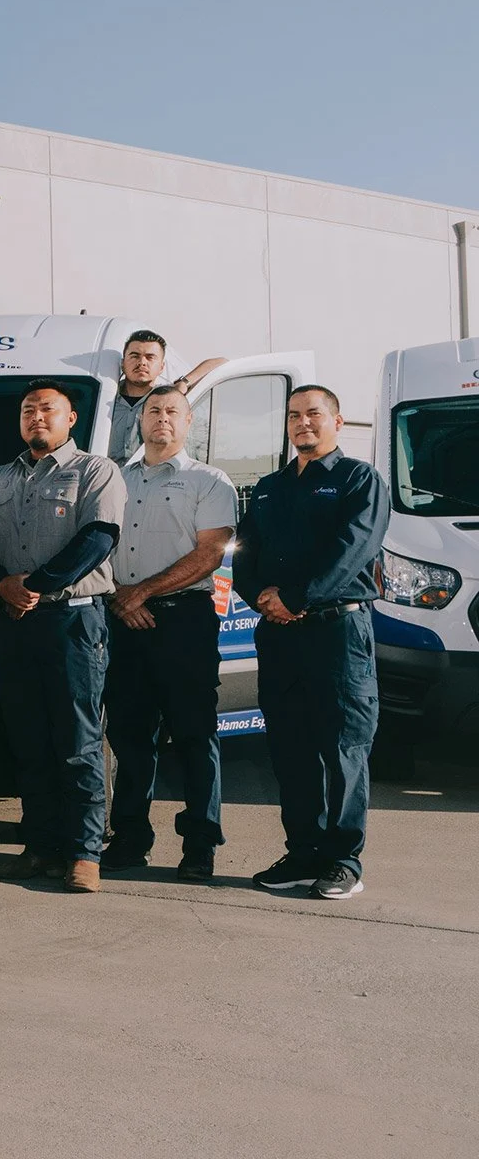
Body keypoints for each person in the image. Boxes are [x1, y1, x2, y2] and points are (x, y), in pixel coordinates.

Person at [233, 385, 388, 901]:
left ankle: (343, 860)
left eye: (314, 414)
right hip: (278, 633)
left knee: (343, 746)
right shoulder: (270, 487)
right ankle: (302, 852)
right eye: (294, 416)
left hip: (337, 632)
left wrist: (297, 596)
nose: (303, 423)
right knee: (290, 748)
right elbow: (245, 553)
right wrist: (259, 598)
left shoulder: (357, 480)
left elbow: (353, 549)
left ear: (338, 423)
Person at [0, 380, 126, 893]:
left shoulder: (96, 472)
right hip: (15, 624)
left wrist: (33, 587)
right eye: (27, 410)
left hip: (72, 621)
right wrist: (1, 585)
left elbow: (97, 540)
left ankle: (84, 854)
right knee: (29, 740)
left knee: (78, 740)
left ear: (70, 420)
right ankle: (39, 847)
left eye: (47, 409)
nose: (36, 416)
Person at [101, 387, 238, 883]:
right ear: (141, 421)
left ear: (188, 422)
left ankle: (200, 844)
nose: (162, 419)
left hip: (183, 621)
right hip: (122, 619)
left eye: (172, 412)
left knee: (194, 735)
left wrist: (142, 594)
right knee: (129, 735)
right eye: (154, 411)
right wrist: (123, 596)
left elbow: (209, 554)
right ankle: (130, 837)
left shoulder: (209, 480)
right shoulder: (115, 477)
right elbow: (98, 544)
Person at [107, 330, 226, 464]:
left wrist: (184, 383)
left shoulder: (169, 398)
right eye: (135, 356)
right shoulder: (105, 398)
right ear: (123, 363)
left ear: (162, 366)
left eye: (150, 357)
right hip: (106, 481)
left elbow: (222, 363)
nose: (142, 363)